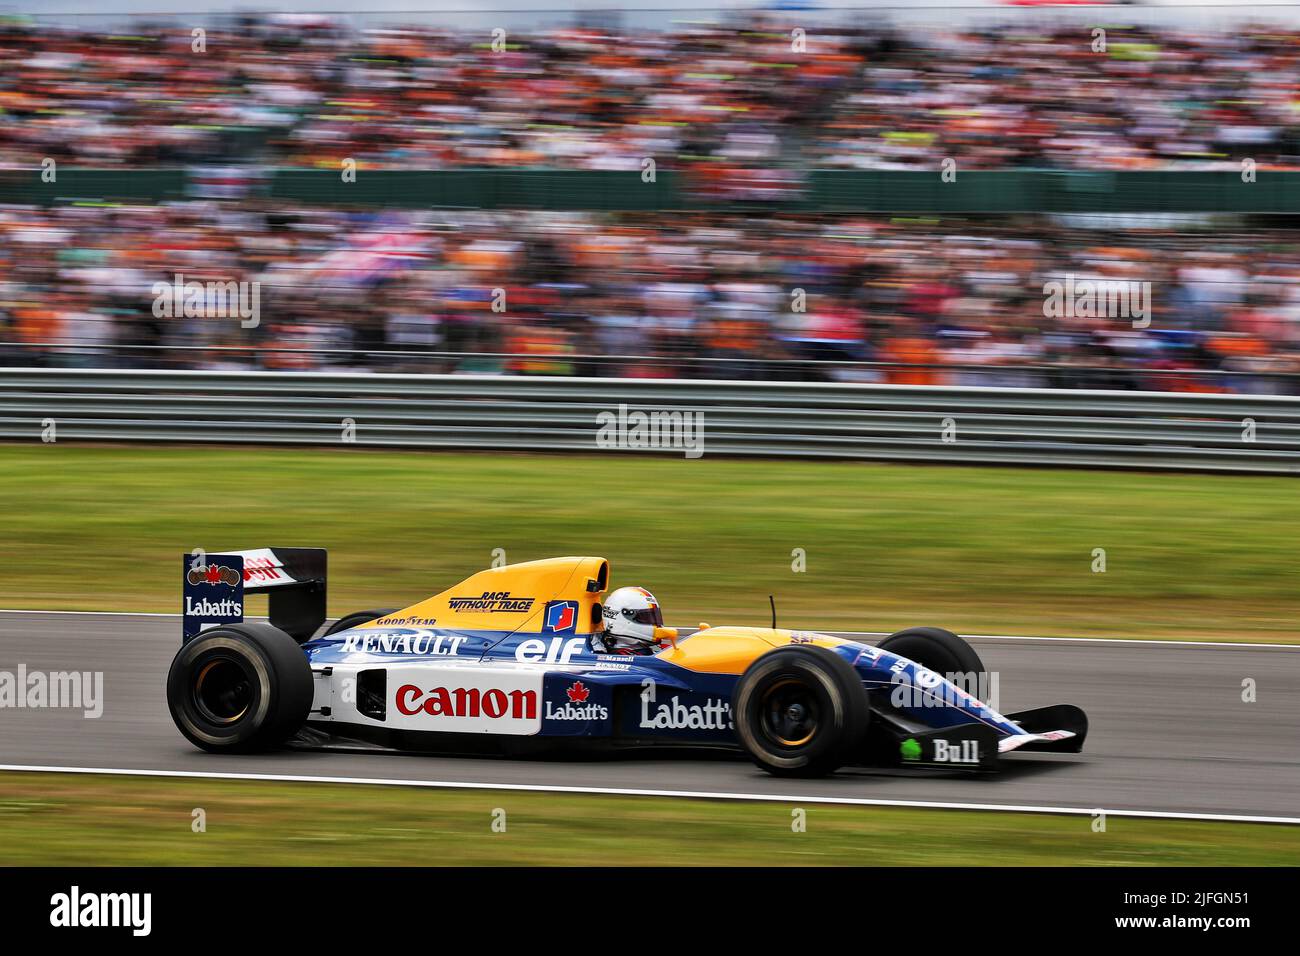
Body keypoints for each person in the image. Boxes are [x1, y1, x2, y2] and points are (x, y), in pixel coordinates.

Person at [595, 586, 675, 654]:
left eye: (654, 616)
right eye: (645, 617)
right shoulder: (601, 652)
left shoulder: (659, 651)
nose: (654, 623)